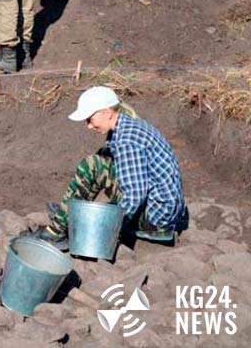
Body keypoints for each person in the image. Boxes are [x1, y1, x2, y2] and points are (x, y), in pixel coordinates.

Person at [33, 86, 187, 250]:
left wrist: (106, 226)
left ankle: (56, 232)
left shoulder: (127, 140)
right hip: (164, 210)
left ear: (106, 113)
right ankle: (71, 213)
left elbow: (135, 194)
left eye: (90, 119)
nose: (89, 126)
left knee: (93, 165)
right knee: (104, 155)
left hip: (155, 219)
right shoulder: (130, 127)